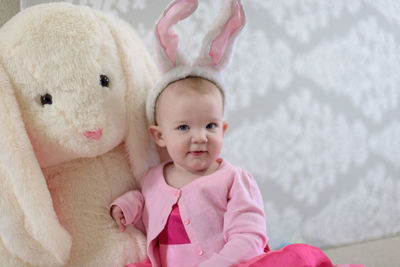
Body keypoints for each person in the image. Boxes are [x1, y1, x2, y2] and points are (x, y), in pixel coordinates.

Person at [110, 0, 364, 266]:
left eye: (210, 126)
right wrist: (127, 206)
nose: (200, 137)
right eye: (184, 127)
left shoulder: (232, 180)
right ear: (159, 136)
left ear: (223, 129)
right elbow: (147, 209)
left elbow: (249, 235)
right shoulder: (152, 179)